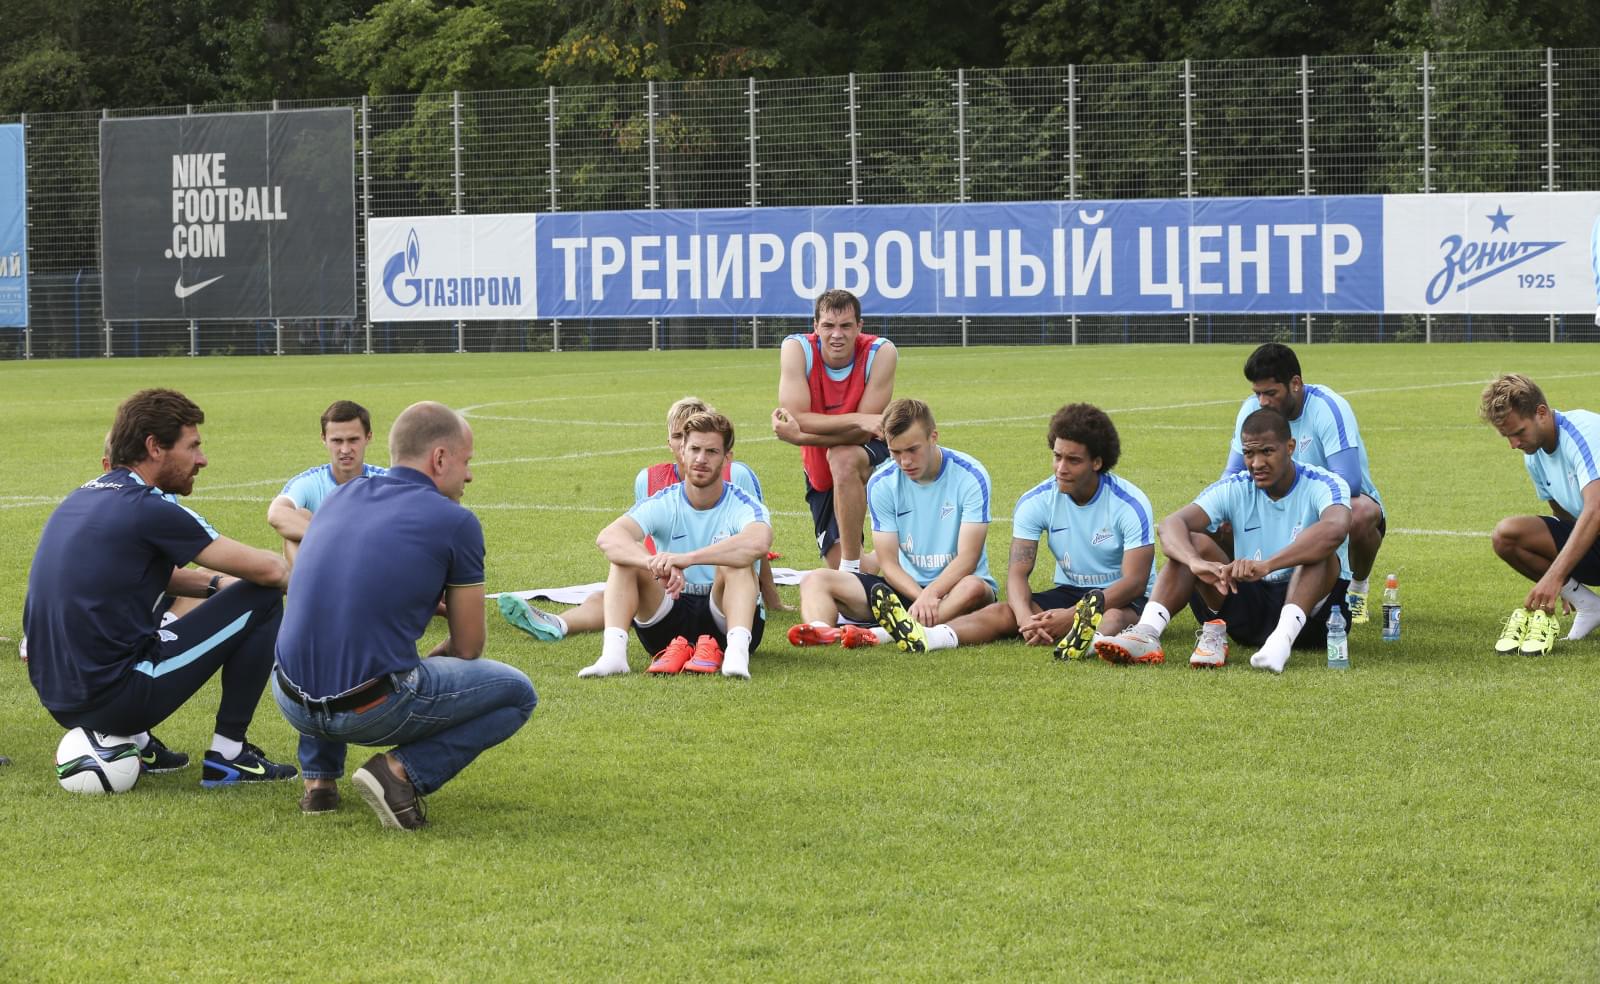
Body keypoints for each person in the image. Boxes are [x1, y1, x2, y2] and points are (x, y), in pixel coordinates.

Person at [273, 401, 536, 828]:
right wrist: (424, 667)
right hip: (368, 708)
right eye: (466, 462)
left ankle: (319, 782)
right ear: (439, 458)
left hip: (289, 697)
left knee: (328, 633)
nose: (469, 474)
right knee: (518, 693)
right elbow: (468, 646)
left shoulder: (339, 496)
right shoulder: (456, 522)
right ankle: (397, 773)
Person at [24, 388, 297, 785]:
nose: (202, 460)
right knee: (264, 596)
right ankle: (229, 755)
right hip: (114, 699)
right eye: (193, 447)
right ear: (155, 447)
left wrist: (217, 585)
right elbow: (273, 572)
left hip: (57, 695)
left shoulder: (83, 495)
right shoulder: (148, 506)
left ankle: (140, 743)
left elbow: (144, 574)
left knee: (143, 597)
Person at [867, 404, 1155, 659]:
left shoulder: (1129, 504)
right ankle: (929, 637)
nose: (1061, 469)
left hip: (1121, 596)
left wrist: (1071, 616)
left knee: (1113, 616)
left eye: (1073, 460)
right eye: (1057, 457)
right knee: (1003, 611)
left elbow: (1134, 582)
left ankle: (1089, 644)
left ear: (1097, 462)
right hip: (1070, 591)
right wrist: (1025, 619)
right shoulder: (1036, 501)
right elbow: (1018, 573)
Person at [499, 396, 785, 643]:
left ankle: (735, 648)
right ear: (674, 443)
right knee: (615, 587)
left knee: (731, 570)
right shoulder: (650, 481)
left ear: (722, 452)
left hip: (721, 590)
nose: (691, 450)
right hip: (669, 588)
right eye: (679, 438)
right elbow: (631, 541)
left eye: (708, 448)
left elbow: (752, 547)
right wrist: (654, 567)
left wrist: (771, 599)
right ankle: (558, 624)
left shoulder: (735, 477)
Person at [1098, 407, 1352, 673]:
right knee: (1192, 543)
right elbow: (1172, 524)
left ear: (1290, 447)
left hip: (1315, 622)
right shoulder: (1236, 486)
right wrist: (1195, 562)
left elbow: (1335, 528)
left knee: (1321, 554)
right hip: (1249, 614)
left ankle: (1281, 641)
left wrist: (1268, 565)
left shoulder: (1324, 483)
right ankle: (1146, 633)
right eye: (1249, 453)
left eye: (1267, 451)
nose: (1256, 463)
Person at [791, 398, 996, 652]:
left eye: (912, 450)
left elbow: (968, 559)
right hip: (903, 590)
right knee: (815, 580)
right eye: (895, 452)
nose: (905, 461)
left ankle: (882, 634)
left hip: (955, 588)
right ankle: (823, 631)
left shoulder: (971, 476)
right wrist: (920, 597)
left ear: (934, 437)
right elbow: (888, 564)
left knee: (974, 587)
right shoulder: (882, 483)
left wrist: (931, 594)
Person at [581, 410, 772, 679]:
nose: (701, 459)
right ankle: (613, 657)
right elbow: (608, 537)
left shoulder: (743, 503)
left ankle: (736, 656)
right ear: (682, 451)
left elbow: (758, 542)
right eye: (694, 449)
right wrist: (654, 562)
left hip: (725, 616)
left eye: (712, 452)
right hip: (670, 609)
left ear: (727, 458)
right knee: (624, 562)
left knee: (736, 563)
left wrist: (688, 558)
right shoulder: (664, 501)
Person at [1223, 343, 1385, 623]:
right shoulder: (1252, 410)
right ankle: (1240, 597)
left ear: (1295, 383)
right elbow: (1231, 475)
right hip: (1274, 504)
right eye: (1257, 393)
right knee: (1220, 520)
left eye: (1270, 393)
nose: (1262, 401)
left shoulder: (1328, 408)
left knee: (1359, 513)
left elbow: (1350, 481)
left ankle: (1357, 588)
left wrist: (1302, 505)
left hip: (1325, 506)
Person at [772, 288, 899, 573]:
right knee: (853, 563)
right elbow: (799, 418)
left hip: (871, 452)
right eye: (828, 325)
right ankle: (902, 550)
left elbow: (864, 433)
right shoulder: (796, 348)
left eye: (845, 326)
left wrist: (800, 437)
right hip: (818, 460)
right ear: (815, 326)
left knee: (843, 457)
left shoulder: (881, 352)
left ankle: (850, 571)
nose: (836, 334)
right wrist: (856, 419)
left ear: (859, 327)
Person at [1480, 373, 1600, 656]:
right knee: (1507, 535)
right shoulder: (1533, 455)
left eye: (1518, 432)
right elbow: (1563, 515)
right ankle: (1588, 606)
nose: (1513, 444)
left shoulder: (1584, 432)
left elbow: (1596, 510)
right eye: (1507, 436)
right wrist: (1567, 577)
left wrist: (1554, 576)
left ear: (1541, 413)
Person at [267, 400, 388, 561]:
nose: (345, 450)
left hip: (373, 565)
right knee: (300, 516)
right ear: (323, 439)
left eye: (353, 440)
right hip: (325, 567)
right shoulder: (311, 482)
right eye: (337, 441)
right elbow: (277, 513)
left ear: (368, 437)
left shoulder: (387, 480)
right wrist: (334, 539)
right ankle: (304, 585)